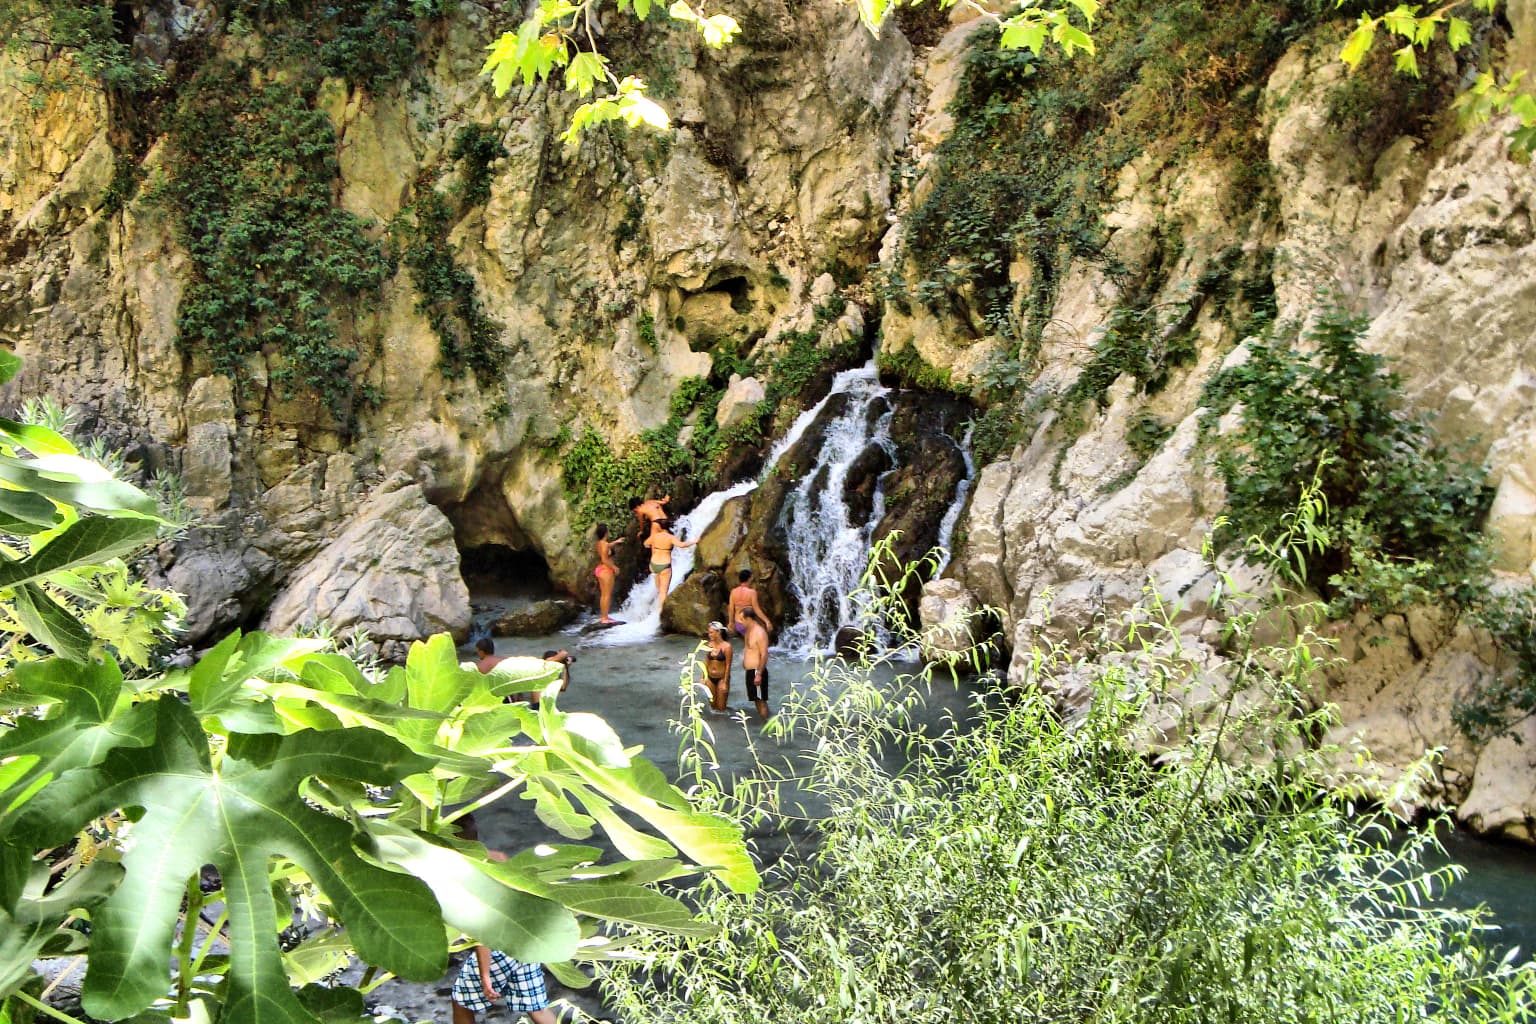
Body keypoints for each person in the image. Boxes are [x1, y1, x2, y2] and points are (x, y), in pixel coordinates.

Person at [448, 816, 558, 1024]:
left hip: (500, 945)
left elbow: (485, 927)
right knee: (537, 1008)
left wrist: (485, 975)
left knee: (461, 1001)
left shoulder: (466, 873)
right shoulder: (496, 858)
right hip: (525, 937)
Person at [642, 517, 695, 611]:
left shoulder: (655, 536)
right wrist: (695, 541)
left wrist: (655, 546)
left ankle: (655, 608)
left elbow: (646, 544)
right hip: (664, 565)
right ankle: (660, 613)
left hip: (653, 565)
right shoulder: (670, 538)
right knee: (663, 592)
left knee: (659, 589)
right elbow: (682, 545)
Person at [740, 608, 771, 721]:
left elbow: (764, 654)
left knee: (761, 700)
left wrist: (759, 673)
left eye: (742, 619)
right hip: (750, 671)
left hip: (757, 671)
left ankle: (767, 726)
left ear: (748, 618)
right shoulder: (748, 631)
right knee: (756, 700)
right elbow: (748, 649)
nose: (741, 622)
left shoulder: (760, 632)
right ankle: (765, 722)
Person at [728, 568, 773, 638]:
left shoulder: (733, 592)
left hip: (738, 624)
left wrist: (730, 622)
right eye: (751, 576)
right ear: (749, 578)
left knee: (748, 643)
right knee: (759, 641)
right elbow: (756, 609)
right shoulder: (752, 592)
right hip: (748, 623)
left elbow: (731, 609)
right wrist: (767, 621)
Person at [593, 523, 624, 623]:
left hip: (600, 570)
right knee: (607, 595)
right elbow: (604, 559)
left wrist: (616, 542)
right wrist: (614, 567)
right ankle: (605, 618)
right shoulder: (605, 545)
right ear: (606, 532)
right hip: (606, 571)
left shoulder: (599, 543)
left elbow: (606, 546)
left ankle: (604, 616)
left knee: (603, 595)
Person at [700, 621, 733, 713]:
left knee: (721, 708)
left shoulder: (727, 647)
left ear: (718, 632)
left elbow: (728, 665)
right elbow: (706, 661)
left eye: (711, 632)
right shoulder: (710, 645)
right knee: (713, 707)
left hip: (722, 678)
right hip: (710, 678)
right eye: (709, 632)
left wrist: (725, 682)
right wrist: (703, 677)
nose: (709, 635)